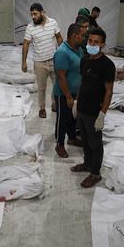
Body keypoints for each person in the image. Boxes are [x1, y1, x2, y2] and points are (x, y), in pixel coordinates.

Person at [70, 27, 115, 188]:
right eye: (90, 41)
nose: (92, 44)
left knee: (95, 144)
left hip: (94, 112)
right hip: (82, 109)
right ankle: (87, 164)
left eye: (96, 42)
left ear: (102, 44)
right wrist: (76, 101)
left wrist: (102, 114)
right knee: (86, 141)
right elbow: (83, 83)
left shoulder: (107, 65)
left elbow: (109, 91)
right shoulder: (85, 60)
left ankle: (95, 174)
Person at [22, 3, 63, 118]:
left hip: (54, 60)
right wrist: (23, 62)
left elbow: (59, 37)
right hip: (39, 63)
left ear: (42, 12)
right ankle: (42, 108)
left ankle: (55, 105)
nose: (33, 17)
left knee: (57, 85)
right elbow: (26, 44)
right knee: (41, 88)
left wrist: (62, 54)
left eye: (35, 14)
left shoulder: (53, 23)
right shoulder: (30, 27)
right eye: (31, 15)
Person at [53, 24, 85, 158]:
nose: (84, 38)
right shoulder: (62, 52)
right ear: (74, 36)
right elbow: (61, 77)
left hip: (75, 92)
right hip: (63, 94)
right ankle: (59, 144)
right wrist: (68, 97)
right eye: (82, 36)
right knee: (63, 119)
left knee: (72, 118)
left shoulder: (78, 49)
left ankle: (72, 138)